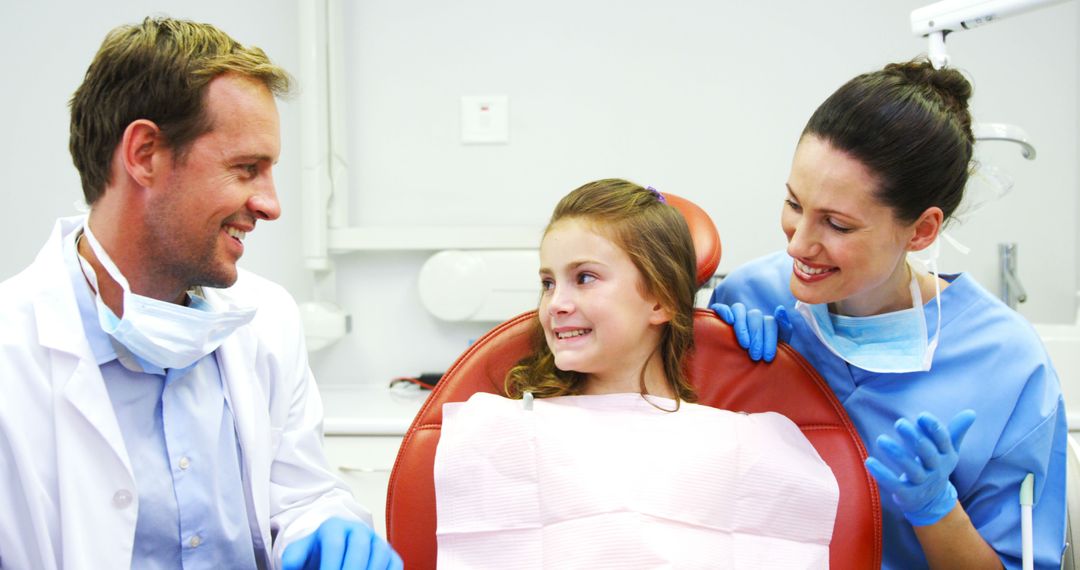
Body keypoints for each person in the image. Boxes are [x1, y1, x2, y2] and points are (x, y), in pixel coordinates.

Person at [0, 17, 401, 570]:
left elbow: (299, 493)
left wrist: (322, 522)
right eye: (246, 169)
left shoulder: (268, 321)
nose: (270, 204)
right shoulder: (11, 353)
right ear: (144, 153)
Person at [710, 59, 1066, 568]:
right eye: (793, 204)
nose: (800, 244)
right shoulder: (752, 297)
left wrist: (935, 509)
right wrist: (708, 362)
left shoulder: (1007, 366)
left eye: (837, 224)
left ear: (920, 231)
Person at [433, 179, 839, 568]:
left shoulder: (746, 446)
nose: (556, 302)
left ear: (660, 300)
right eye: (547, 282)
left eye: (584, 278)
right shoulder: (503, 434)